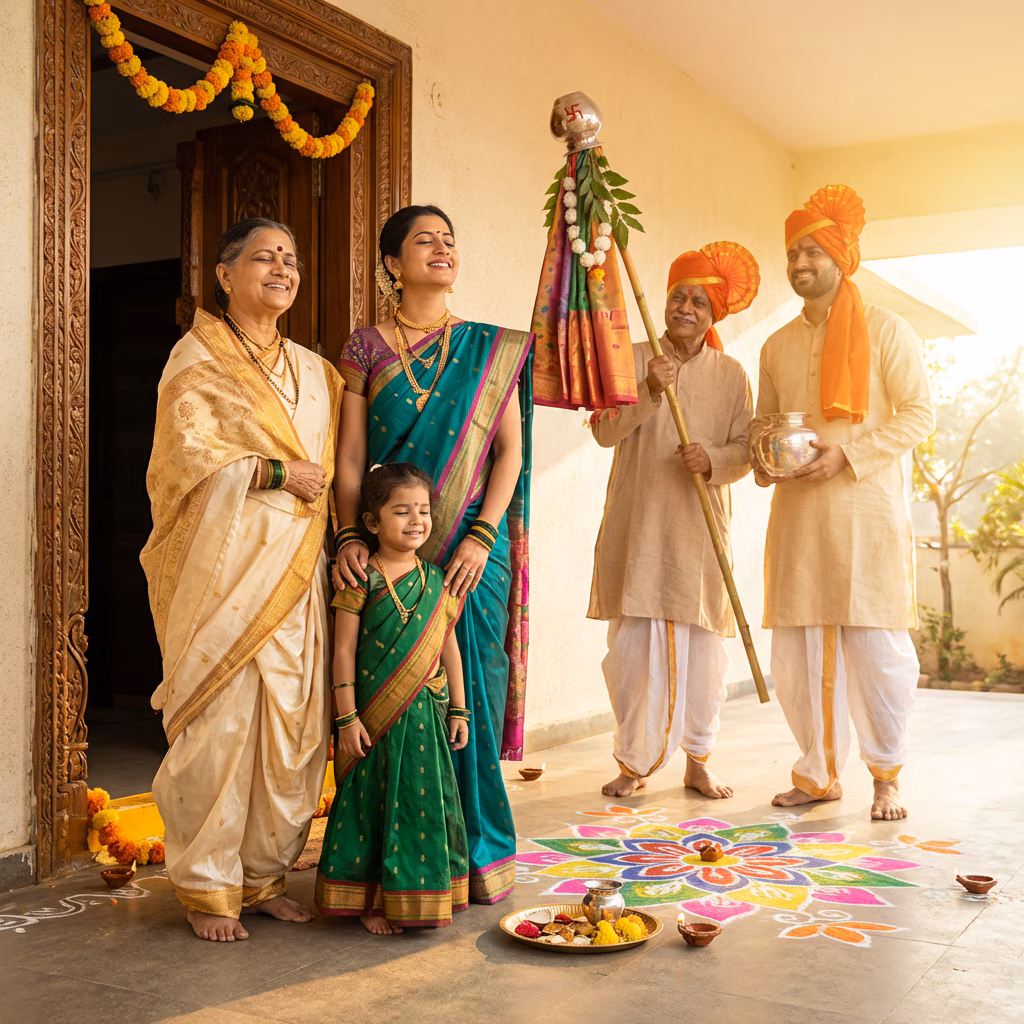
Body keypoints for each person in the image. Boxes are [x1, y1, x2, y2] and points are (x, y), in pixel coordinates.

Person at [142, 218, 342, 941]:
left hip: (296, 576)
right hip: (224, 576)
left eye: (289, 258)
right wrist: (275, 470)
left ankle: (260, 878)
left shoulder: (320, 373)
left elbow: (340, 476)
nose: (282, 268)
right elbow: (179, 464)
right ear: (225, 275)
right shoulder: (196, 358)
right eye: (264, 257)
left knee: (290, 729)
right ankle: (208, 887)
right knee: (223, 728)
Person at [332, 205, 532, 904]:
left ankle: (478, 850)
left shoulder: (488, 348)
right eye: (425, 240)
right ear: (393, 262)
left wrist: (482, 533)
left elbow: (507, 452)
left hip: (472, 549)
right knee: (399, 700)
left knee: (467, 688)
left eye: (450, 239)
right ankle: (397, 866)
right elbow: (353, 455)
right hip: (391, 548)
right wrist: (351, 533)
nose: (442, 248)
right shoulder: (364, 348)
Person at [752, 184, 934, 820]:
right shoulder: (775, 346)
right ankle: (818, 771)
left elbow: (919, 415)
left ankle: (885, 775)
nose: (801, 264)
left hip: (866, 517)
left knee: (878, 654)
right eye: (793, 253)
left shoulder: (887, 330)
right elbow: (765, 426)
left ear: (841, 257)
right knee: (797, 656)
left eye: (813, 252)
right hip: (800, 520)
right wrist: (765, 460)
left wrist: (848, 455)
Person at [589, 242, 759, 799]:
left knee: (704, 654)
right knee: (633, 653)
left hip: (699, 532)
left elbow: (746, 450)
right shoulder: (631, 356)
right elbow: (603, 430)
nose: (686, 308)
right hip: (638, 527)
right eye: (678, 297)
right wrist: (648, 390)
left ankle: (699, 758)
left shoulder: (731, 374)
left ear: (712, 317)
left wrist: (713, 460)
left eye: (699, 303)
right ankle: (634, 763)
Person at [316, 463, 470, 933]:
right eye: (401, 511)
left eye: (422, 511)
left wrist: (460, 709)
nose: (416, 521)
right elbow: (342, 650)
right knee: (374, 805)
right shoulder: (361, 576)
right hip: (374, 718)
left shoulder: (437, 579)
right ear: (372, 521)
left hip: (425, 718)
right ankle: (371, 902)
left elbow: (449, 648)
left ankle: (421, 895)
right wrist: (346, 719)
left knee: (420, 803)